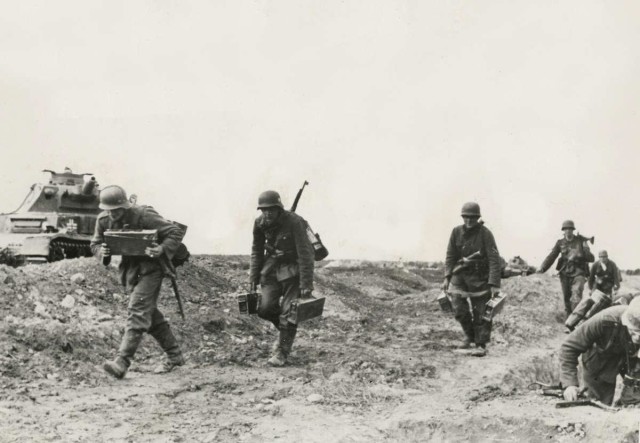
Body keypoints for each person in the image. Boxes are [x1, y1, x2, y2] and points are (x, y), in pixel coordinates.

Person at [90, 185, 185, 379]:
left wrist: (161, 249)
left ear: (125, 206)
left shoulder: (143, 215)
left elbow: (174, 232)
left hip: (152, 267)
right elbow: (95, 244)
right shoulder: (103, 220)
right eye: (109, 210)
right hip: (130, 270)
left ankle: (122, 362)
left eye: (116, 210)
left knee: (138, 309)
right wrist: (102, 252)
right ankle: (175, 356)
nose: (113, 215)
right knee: (149, 314)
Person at [249, 190, 315, 366]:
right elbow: (256, 250)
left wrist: (306, 283)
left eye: (271, 209)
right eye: (264, 210)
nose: (267, 213)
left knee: (289, 312)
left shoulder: (295, 222)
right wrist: (253, 277)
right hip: (271, 270)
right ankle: (286, 330)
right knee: (264, 308)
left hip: (292, 271)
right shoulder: (260, 223)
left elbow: (305, 253)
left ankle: (282, 352)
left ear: (279, 208)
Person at [443, 202, 501, 357]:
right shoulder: (456, 232)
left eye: (472, 217)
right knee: (458, 308)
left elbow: (494, 259)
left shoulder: (485, 234)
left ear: (477, 218)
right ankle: (469, 336)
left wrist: (494, 283)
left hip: (479, 278)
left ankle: (480, 344)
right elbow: (450, 255)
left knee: (481, 312)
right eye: (466, 217)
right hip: (460, 276)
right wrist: (447, 276)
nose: (469, 220)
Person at [560, 297, 640, 405]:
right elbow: (569, 347)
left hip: (632, 360)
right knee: (597, 404)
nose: (637, 338)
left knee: (634, 403)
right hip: (601, 361)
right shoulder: (605, 320)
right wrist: (570, 384)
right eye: (634, 332)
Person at [537, 220, 594, 316]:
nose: (568, 231)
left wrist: (586, 249)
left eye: (570, 229)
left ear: (573, 230)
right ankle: (569, 319)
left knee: (576, 294)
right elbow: (552, 256)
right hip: (564, 273)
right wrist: (542, 268)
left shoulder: (580, 241)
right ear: (563, 230)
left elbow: (591, 259)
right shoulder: (560, 243)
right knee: (566, 297)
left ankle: (575, 319)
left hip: (579, 272)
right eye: (566, 229)